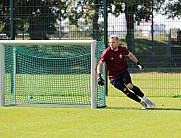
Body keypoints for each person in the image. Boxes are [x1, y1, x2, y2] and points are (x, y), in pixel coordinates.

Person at [97, 35, 155, 109]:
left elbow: (130, 55)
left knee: (129, 86)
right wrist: (99, 76)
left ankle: (146, 100)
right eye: (110, 42)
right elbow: (100, 64)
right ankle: (142, 103)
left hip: (123, 71)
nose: (111, 44)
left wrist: (138, 63)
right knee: (125, 91)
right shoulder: (106, 52)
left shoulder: (122, 49)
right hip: (113, 77)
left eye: (113, 42)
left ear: (118, 43)